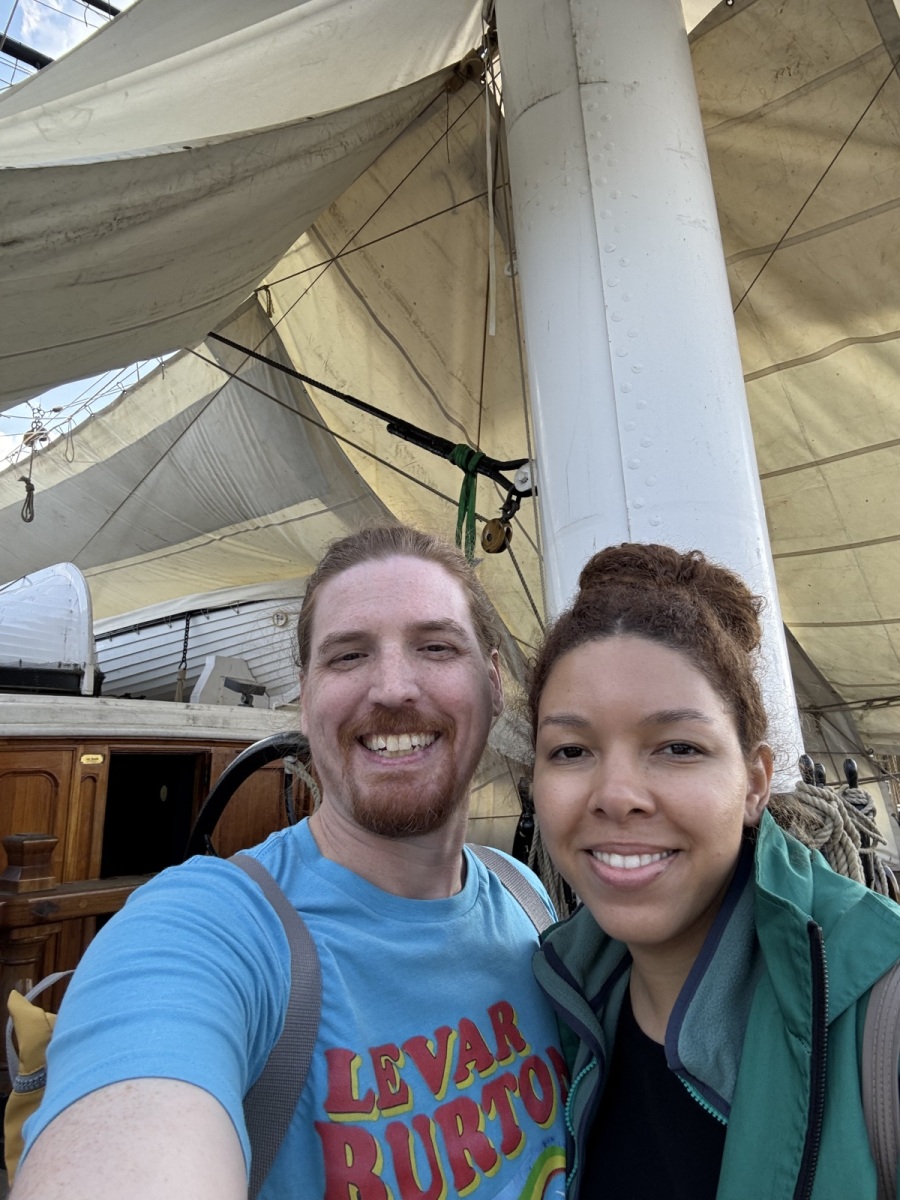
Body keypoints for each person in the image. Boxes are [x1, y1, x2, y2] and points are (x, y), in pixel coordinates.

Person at [13, 525, 567, 1200]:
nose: (393, 688)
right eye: (348, 656)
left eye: (436, 647)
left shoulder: (525, 897)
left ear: (492, 683)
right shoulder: (208, 929)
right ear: (304, 700)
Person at [527, 542, 900, 1200]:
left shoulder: (880, 1015)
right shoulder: (556, 1004)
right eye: (571, 750)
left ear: (755, 782)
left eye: (678, 747)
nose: (617, 795)